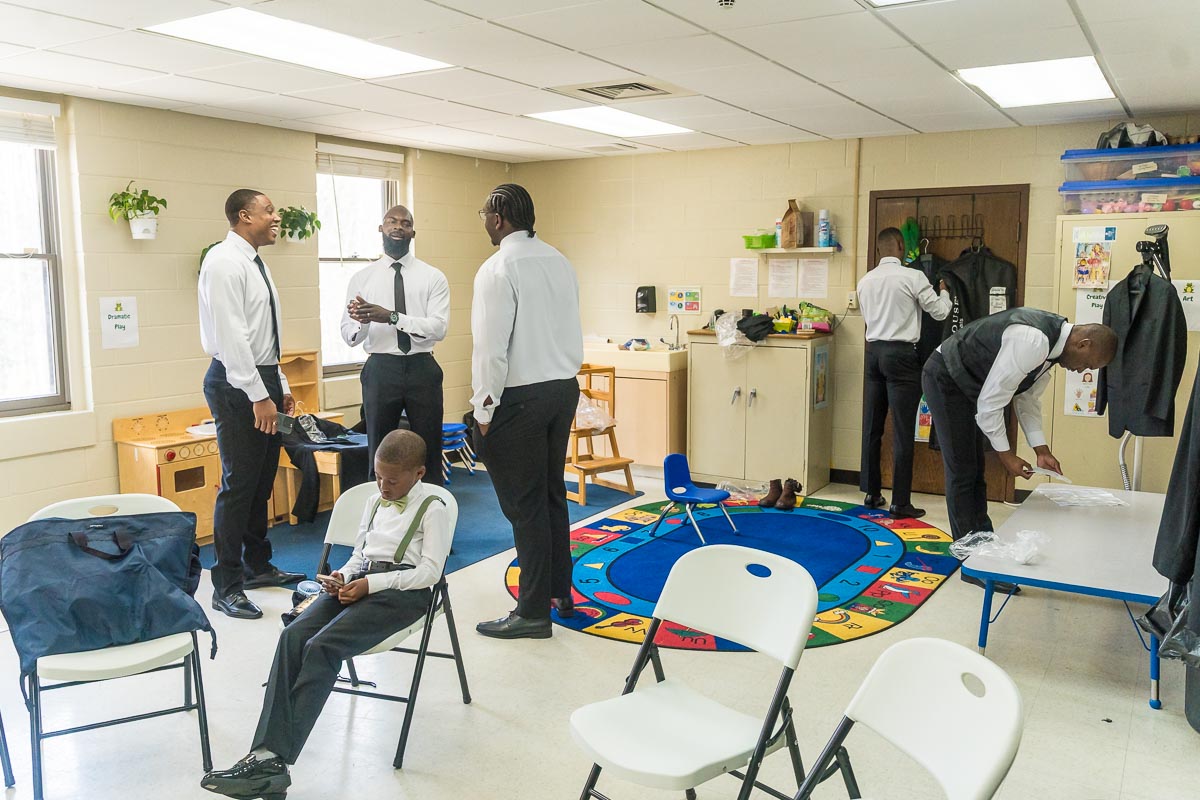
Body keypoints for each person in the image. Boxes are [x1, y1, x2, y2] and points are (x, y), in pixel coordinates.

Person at [199, 429, 452, 799]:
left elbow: (430, 573)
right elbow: (360, 555)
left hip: (405, 595)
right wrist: (343, 576)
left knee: (322, 647)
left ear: (418, 474)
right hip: (364, 582)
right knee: (293, 635)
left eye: (392, 480)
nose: (383, 486)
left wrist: (371, 586)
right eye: (378, 476)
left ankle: (273, 763)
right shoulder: (374, 502)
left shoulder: (434, 509)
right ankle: (265, 756)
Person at [921, 307, 1117, 591]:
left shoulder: (1051, 351)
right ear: (1083, 344)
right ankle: (972, 564)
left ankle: (983, 545)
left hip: (969, 384)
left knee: (975, 469)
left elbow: (1026, 398)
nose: (1082, 371)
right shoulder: (1033, 340)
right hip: (946, 377)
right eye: (1089, 364)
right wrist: (1007, 456)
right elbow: (990, 404)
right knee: (963, 470)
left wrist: (1042, 450)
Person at [471, 184, 583, 640]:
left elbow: (490, 349)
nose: (483, 221)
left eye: (484, 213)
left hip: (519, 400)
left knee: (526, 507)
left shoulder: (497, 268)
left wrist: (482, 410)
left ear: (498, 218)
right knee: (551, 494)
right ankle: (560, 590)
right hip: (562, 391)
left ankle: (532, 611)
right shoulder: (559, 259)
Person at [200, 189, 305, 620]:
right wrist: (258, 395)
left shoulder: (254, 263)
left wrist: (277, 385)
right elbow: (232, 338)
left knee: (262, 483)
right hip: (236, 382)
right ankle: (225, 586)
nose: (276, 217)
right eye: (269, 210)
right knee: (239, 486)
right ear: (245, 216)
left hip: (260, 378)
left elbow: (262, 337)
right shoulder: (224, 262)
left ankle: (257, 566)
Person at [341, 205, 449, 484]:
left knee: (429, 446)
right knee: (378, 445)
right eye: (391, 221)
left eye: (405, 223)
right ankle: (378, 514)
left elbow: (437, 328)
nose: (398, 227)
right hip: (381, 366)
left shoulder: (432, 276)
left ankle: (431, 508)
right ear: (381, 228)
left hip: (421, 366)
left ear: (413, 231)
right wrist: (364, 319)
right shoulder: (362, 278)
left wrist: (391, 317)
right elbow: (349, 335)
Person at [857, 227, 952, 519]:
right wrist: (945, 292)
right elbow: (939, 312)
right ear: (900, 245)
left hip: (872, 353)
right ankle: (900, 502)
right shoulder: (913, 277)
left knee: (872, 426)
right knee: (901, 429)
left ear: (878, 250)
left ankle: (872, 493)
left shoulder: (865, 280)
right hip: (901, 356)